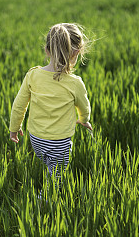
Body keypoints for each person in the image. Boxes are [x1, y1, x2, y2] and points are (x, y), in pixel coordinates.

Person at [9, 23, 93, 191]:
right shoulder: (75, 83)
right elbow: (85, 107)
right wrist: (84, 120)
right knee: (57, 178)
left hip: (36, 138)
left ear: (47, 50)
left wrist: (14, 128)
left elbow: (19, 105)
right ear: (76, 53)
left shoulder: (32, 75)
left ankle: (44, 187)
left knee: (47, 164)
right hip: (59, 142)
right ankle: (45, 202)